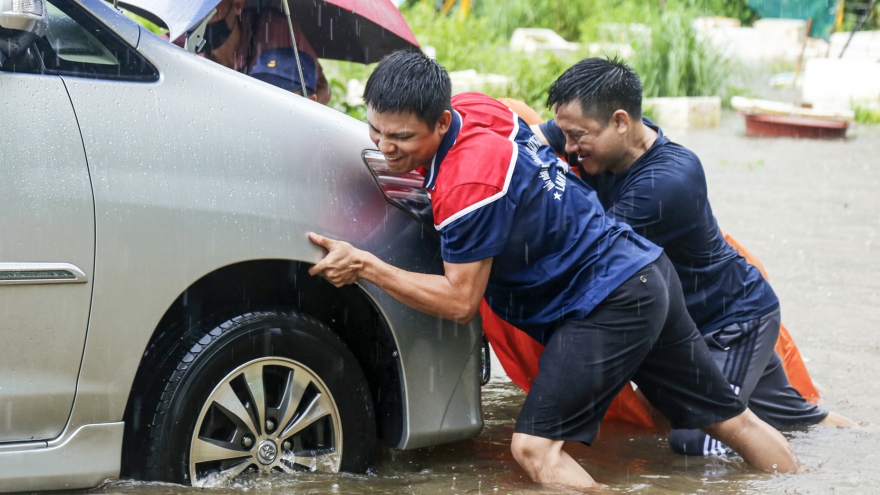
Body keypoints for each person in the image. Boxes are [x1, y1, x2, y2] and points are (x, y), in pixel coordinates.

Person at [307, 50, 800, 490]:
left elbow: (460, 302)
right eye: (375, 131)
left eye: (401, 137)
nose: (386, 146)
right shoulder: (479, 109)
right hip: (648, 273)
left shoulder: (467, 185)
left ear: (440, 123)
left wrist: (367, 265)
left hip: (609, 301)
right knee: (731, 422)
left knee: (534, 449)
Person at [533, 57, 855, 456]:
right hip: (696, 320)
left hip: (730, 326)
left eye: (577, 136)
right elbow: (524, 141)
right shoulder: (597, 132)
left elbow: (587, 253)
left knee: (699, 441)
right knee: (800, 421)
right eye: (564, 134)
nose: (568, 148)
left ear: (620, 122)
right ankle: (863, 443)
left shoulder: (665, 182)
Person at [196, 0, 331, 103]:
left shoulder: (277, 30)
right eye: (194, 13)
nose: (198, 20)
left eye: (208, 12)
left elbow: (323, 89)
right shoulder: (179, 42)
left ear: (237, 4)